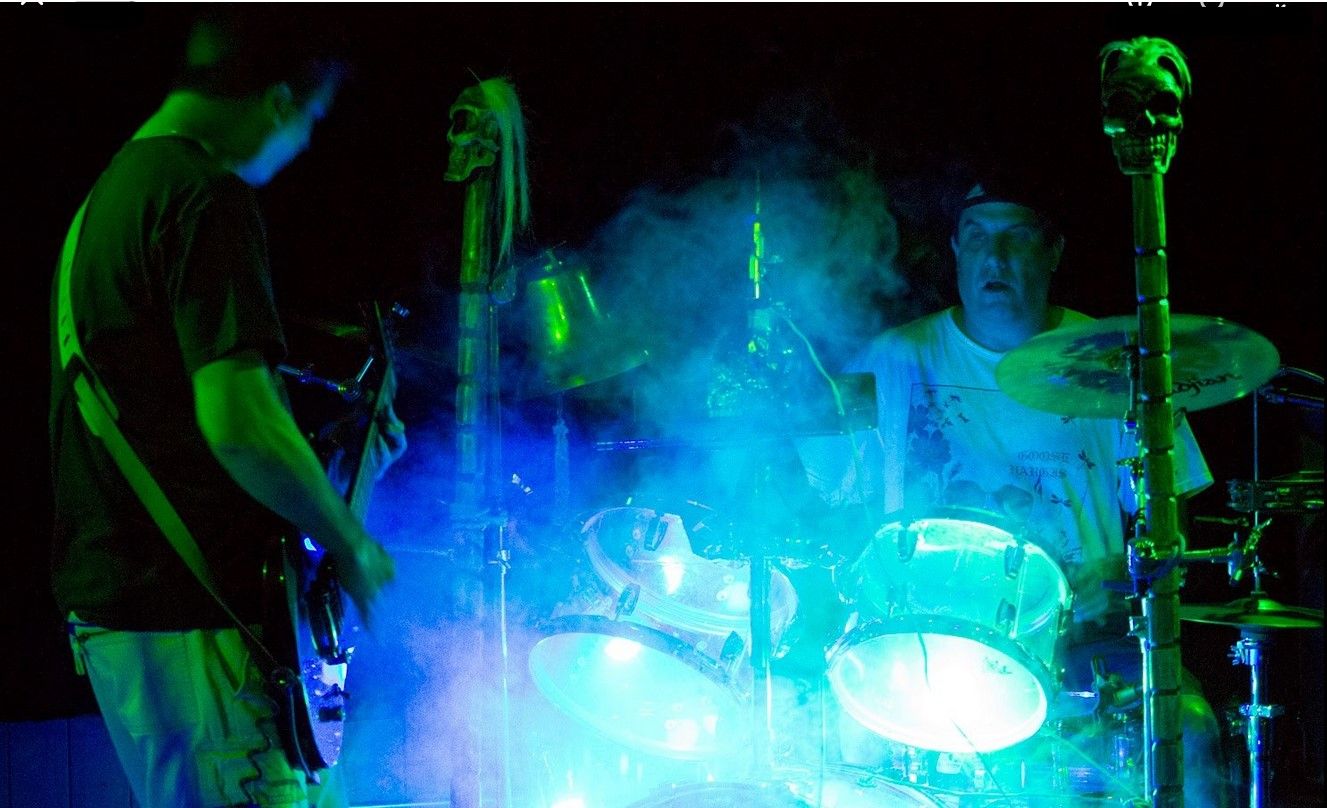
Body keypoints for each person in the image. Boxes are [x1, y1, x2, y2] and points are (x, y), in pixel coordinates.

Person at [49, 10, 403, 808]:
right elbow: (238, 424)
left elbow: (169, 424)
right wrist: (351, 544)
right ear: (279, 102)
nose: (303, 145)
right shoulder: (202, 195)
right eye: (311, 121)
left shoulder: (111, 198)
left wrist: (349, 464)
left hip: (138, 617)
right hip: (194, 620)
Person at [801, 169, 1229, 806]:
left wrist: (1120, 574)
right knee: (832, 731)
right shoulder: (893, 359)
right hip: (918, 638)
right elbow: (830, 507)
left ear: (1053, 251)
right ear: (955, 249)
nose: (994, 257)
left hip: (1082, 639)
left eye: (1016, 237)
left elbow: (1173, 523)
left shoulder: (1114, 362)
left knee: (1189, 729)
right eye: (976, 236)